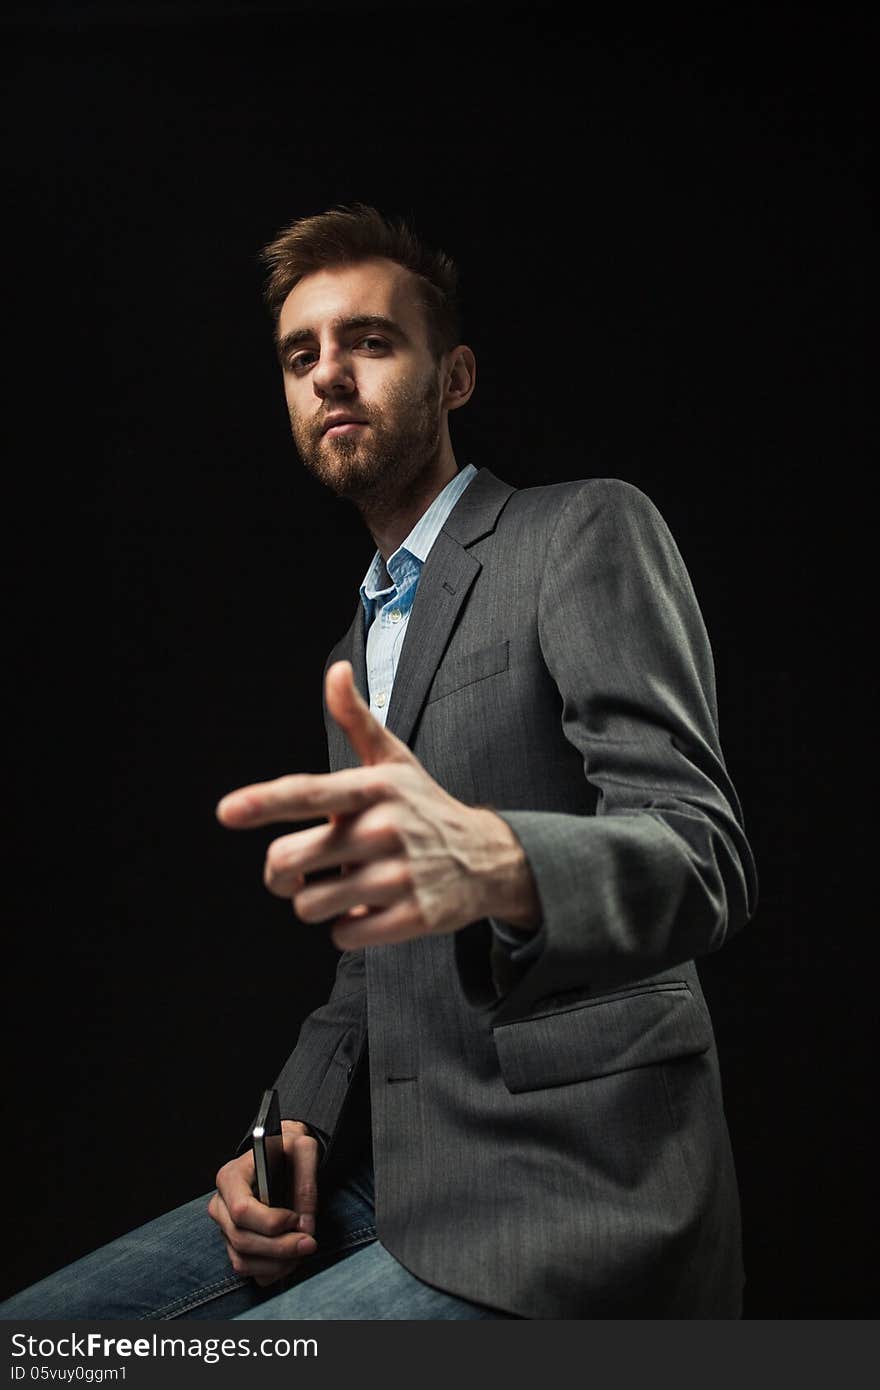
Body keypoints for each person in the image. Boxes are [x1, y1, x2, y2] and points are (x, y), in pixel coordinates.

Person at [2, 204, 757, 1321]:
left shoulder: (581, 531)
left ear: (453, 378)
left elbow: (702, 859)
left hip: (576, 1190)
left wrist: (500, 858)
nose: (329, 375)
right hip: (398, 1169)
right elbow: (372, 961)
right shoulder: (356, 650)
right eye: (300, 355)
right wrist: (294, 1124)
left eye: (369, 340)